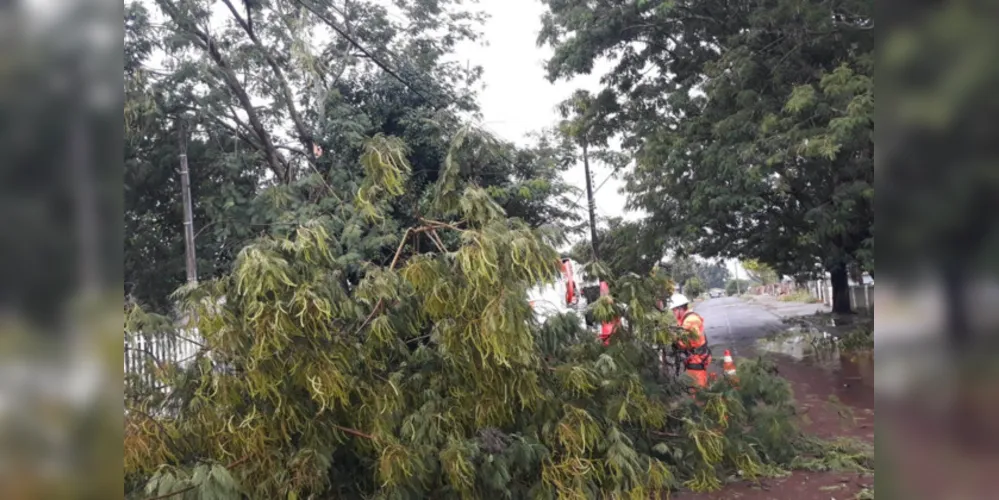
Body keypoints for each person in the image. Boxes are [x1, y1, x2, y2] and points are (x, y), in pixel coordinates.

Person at [666, 293, 712, 389]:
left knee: (697, 388)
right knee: (695, 385)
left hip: (697, 359)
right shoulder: (686, 319)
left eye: (674, 310)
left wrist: (675, 342)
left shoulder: (690, 321)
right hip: (695, 357)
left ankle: (701, 402)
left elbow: (690, 341)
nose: (673, 313)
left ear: (679, 309)